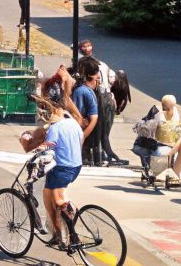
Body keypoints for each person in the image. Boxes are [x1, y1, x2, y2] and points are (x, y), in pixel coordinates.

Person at [20, 98, 83, 250]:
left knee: (58, 199)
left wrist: (32, 147)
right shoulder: (73, 122)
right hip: (76, 165)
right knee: (47, 193)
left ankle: (73, 234)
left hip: (62, 167)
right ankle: (56, 233)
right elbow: (81, 138)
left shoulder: (55, 129)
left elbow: (48, 146)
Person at [76, 40, 122, 166]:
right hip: (103, 97)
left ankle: (103, 153)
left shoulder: (97, 65)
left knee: (102, 130)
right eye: (84, 46)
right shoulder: (91, 64)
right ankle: (98, 154)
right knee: (100, 129)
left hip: (104, 97)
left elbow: (112, 78)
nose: (87, 47)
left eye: (88, 45)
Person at [153, 94, 181, 188]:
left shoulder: (176, 115)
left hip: (170, 147)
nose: (171, 110)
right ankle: (174, 174)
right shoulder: (158, 115)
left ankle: (175, 174)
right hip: (159, 147)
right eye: (168, 108)